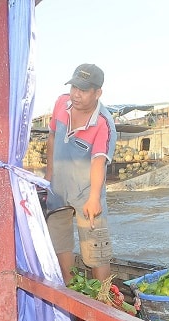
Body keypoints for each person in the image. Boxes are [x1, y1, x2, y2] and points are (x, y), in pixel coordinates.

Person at [44, 64, 116, 284]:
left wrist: (94, 198)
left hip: (86, 193)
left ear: (98, 93)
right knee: (59, 244)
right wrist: (49, 174)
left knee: (96, 251)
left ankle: (104, 298)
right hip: (58, 190)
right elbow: (52, 138)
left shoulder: (103, 123)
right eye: (74, 86)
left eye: (83, 90)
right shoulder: (60, 103)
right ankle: (70, 292)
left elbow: (99, 162)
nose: (76, 94)